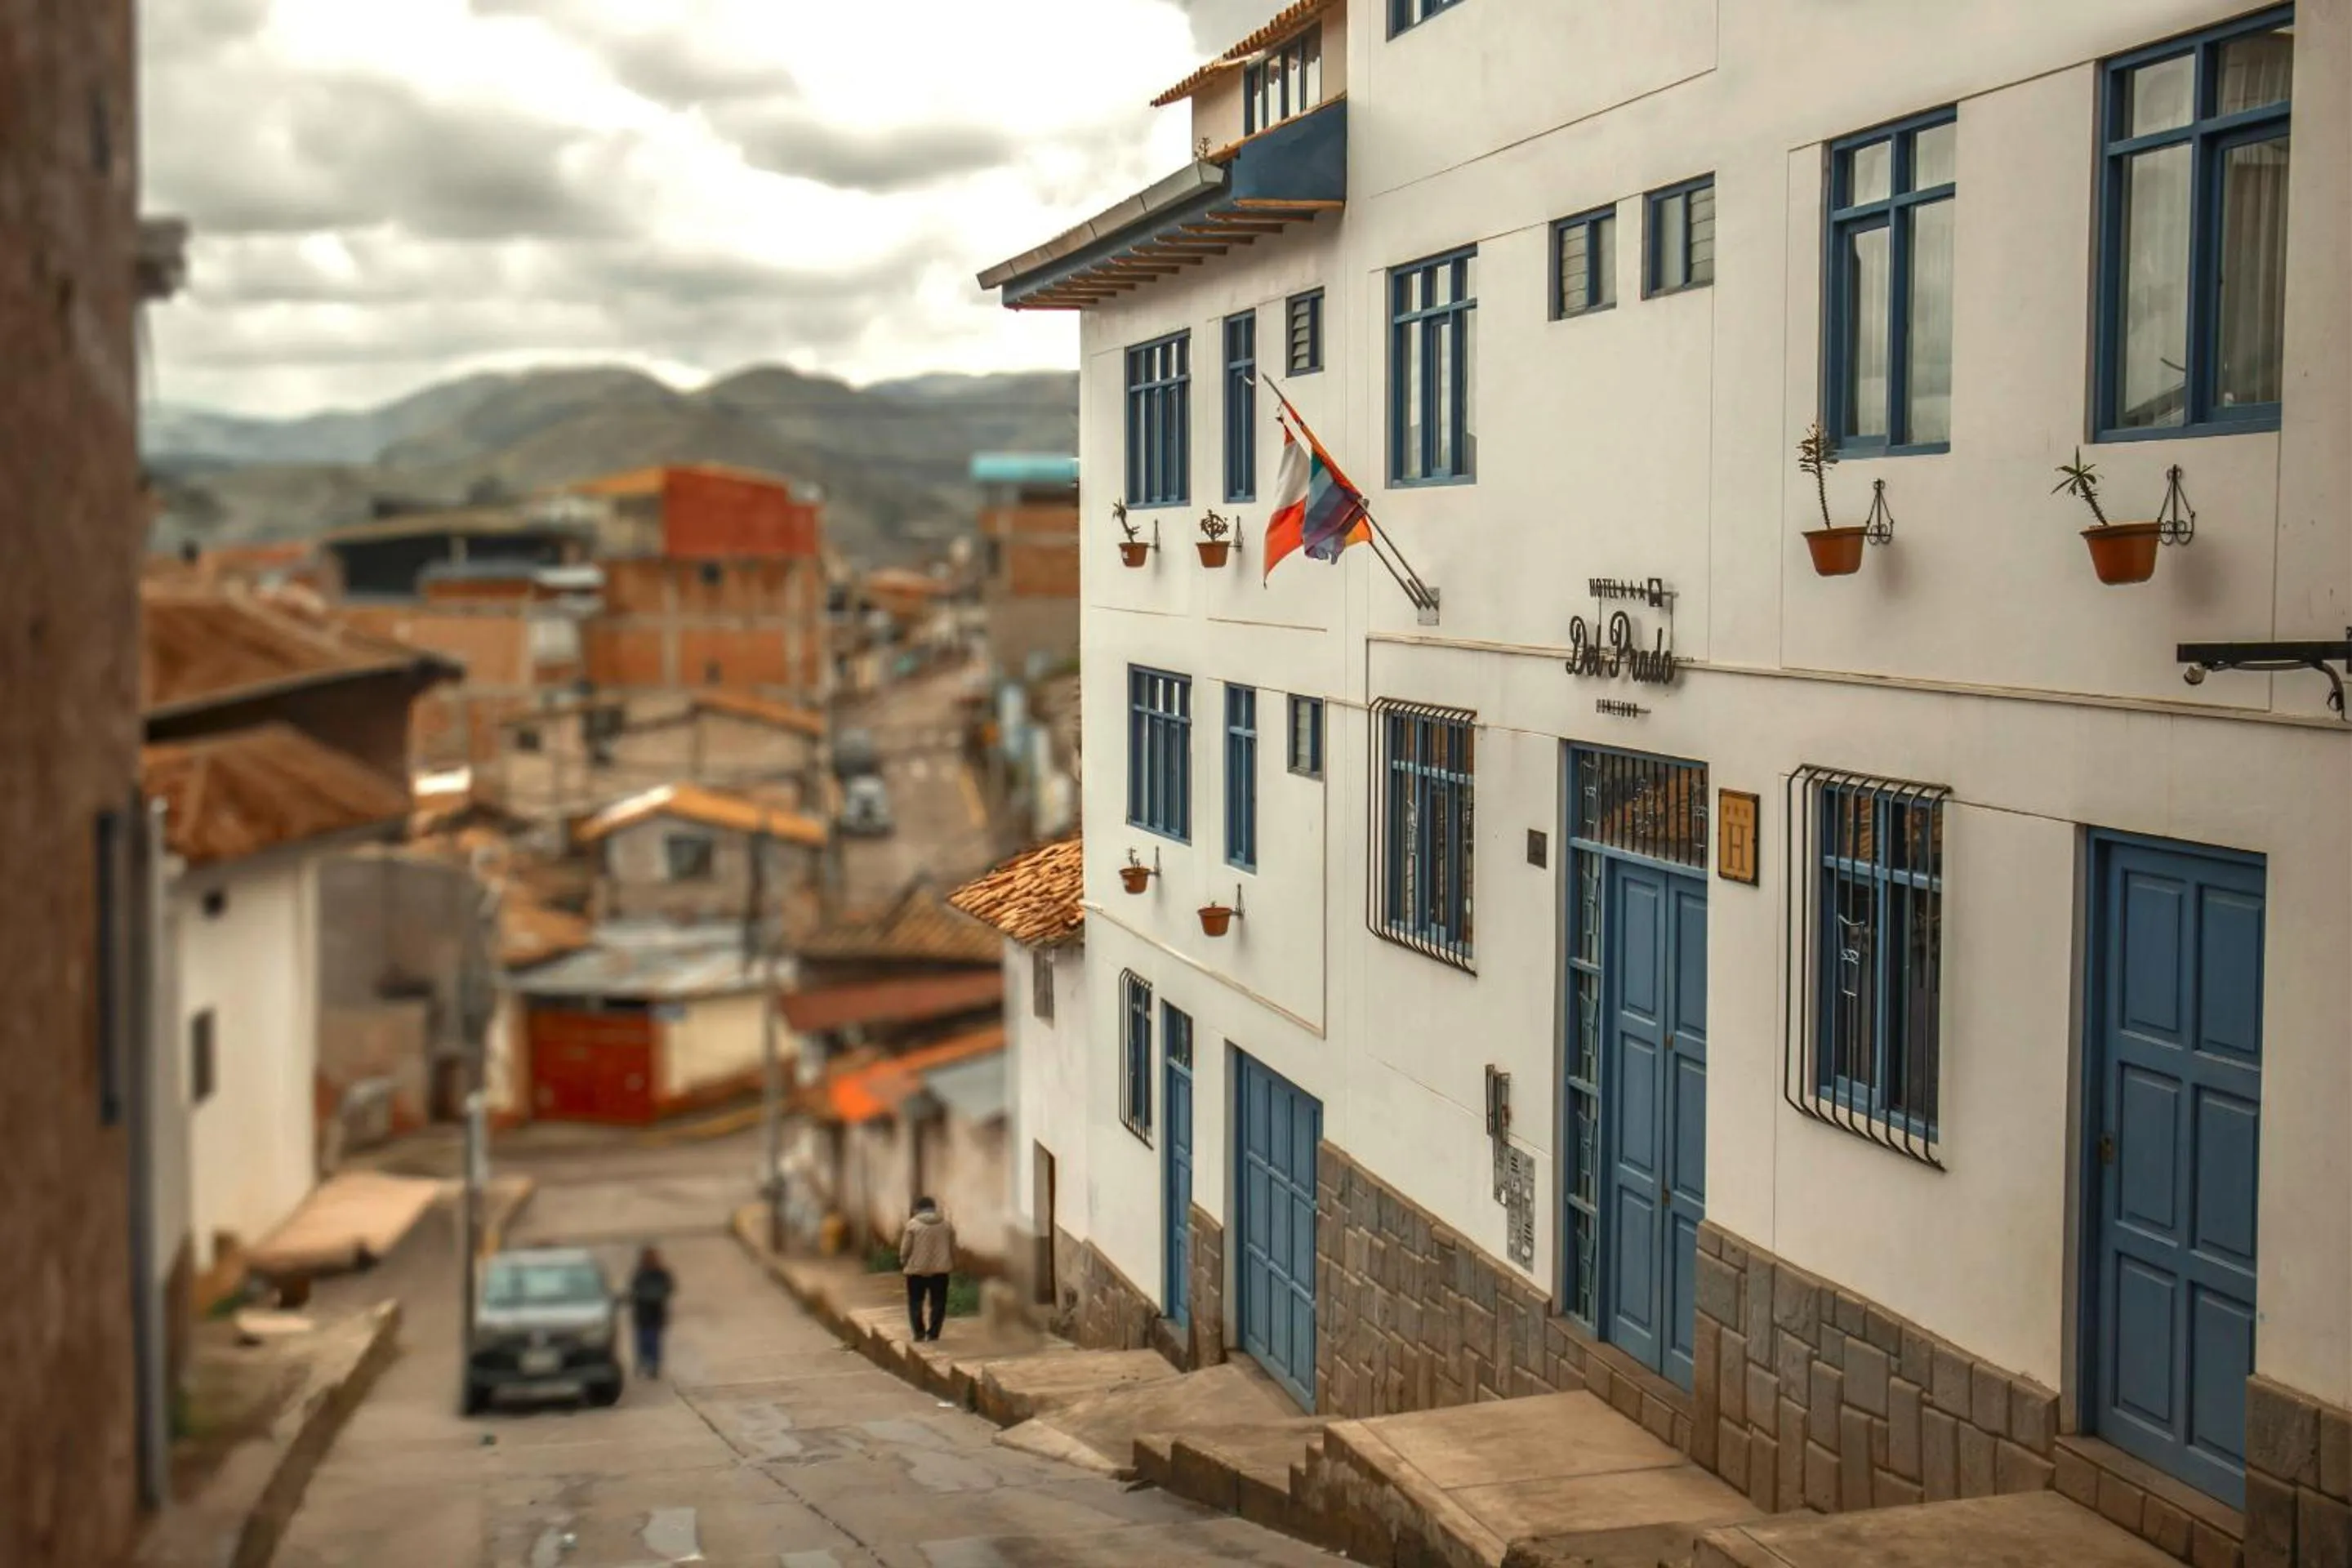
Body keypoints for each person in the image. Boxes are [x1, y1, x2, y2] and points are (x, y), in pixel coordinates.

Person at [899, 1196, 956, 1343]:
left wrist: (904, 1261)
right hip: (941, 1271)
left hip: (916, 1271)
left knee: (915, 1302)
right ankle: (933, 1333)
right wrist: (950, 1262)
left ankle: (919, 1333)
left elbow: (905, 1249)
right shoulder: (946, 1225)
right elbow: (952, 1247)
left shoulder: (912, 1225)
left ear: (918, 1209)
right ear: (934, 1208)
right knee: (938, 1302)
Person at [628, 1245, 676, 1379]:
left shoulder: (661, 1273)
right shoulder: (640, 1273)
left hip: (655, 1313)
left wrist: (657, 1295)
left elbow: (669, 1288)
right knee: (643, 1340)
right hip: (642, 1313)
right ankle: (643, 1362)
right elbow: (634, 1289)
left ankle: (653, 1365)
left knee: (653, 1341)